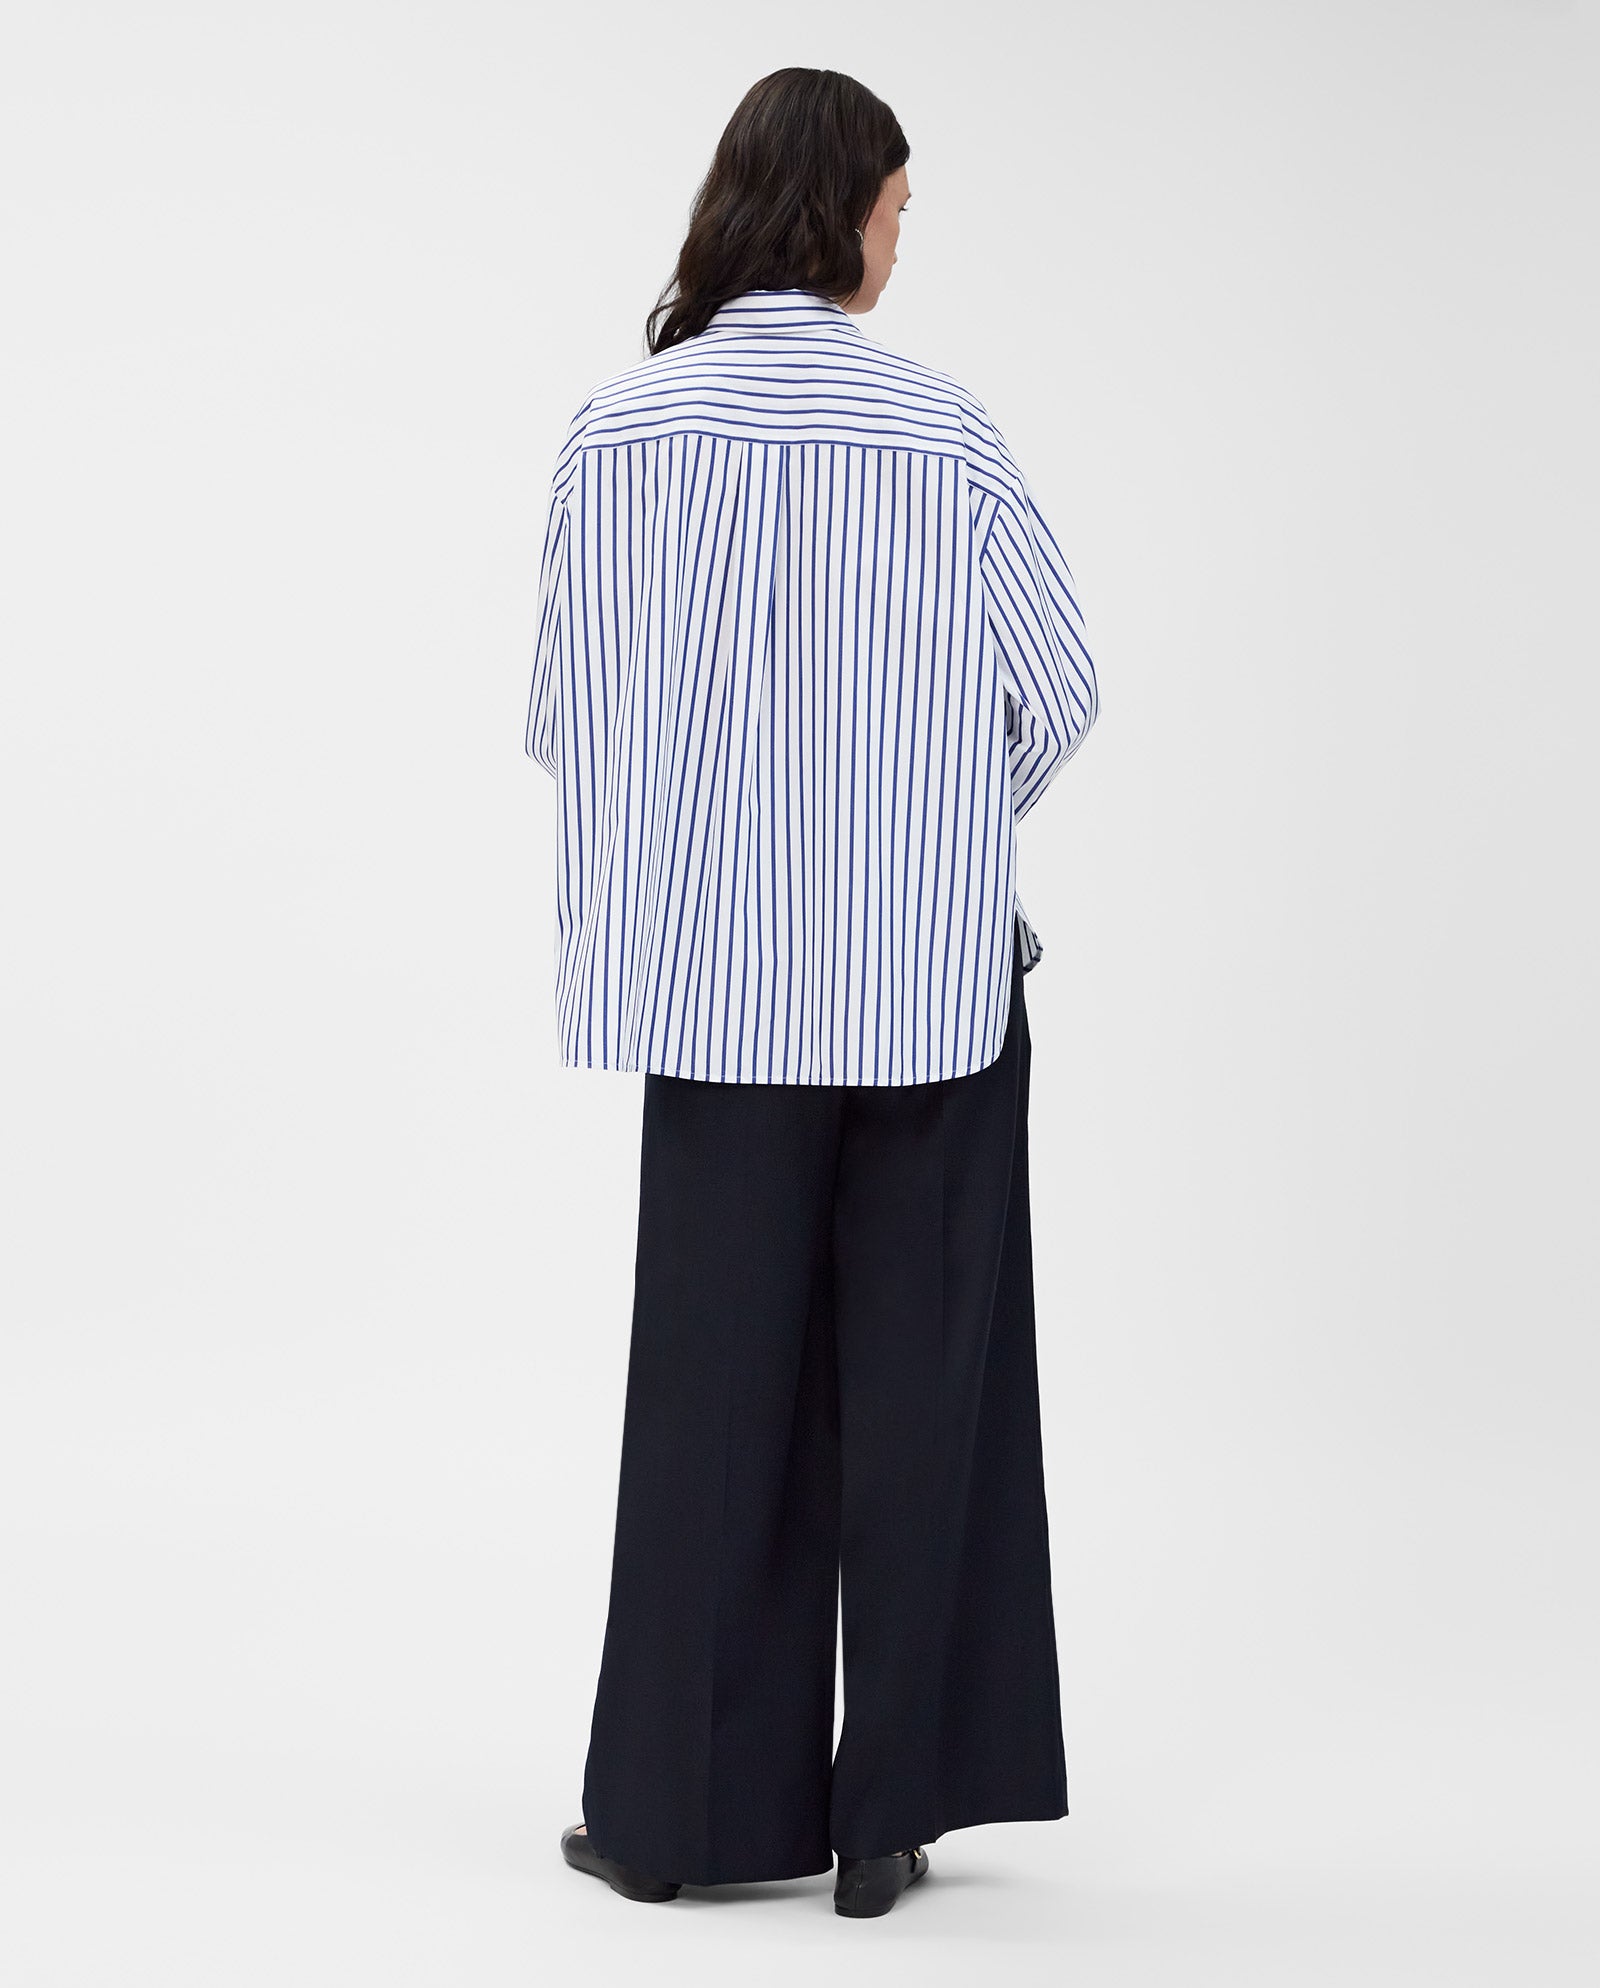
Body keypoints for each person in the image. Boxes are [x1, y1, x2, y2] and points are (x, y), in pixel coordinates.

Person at [524, 66, 1099, 1920]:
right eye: (901, 208)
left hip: (719, 1006)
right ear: (843, 203)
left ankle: (680, 1821)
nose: (902, 242)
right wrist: (938, 828)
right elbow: (1065, 687)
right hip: (932, 998)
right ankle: (888, 1822)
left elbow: (566, 720)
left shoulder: (618, 435)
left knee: (710, 1398)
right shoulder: (943, 435)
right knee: (930, 1392)